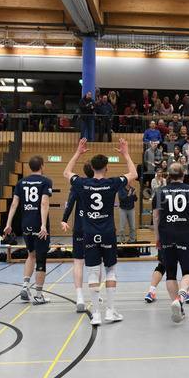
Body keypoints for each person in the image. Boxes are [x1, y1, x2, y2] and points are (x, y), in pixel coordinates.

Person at [64, 138, 138, 325]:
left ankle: (96, 314)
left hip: (89, 232)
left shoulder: (82, 183)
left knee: (92, 271)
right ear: (106, 168)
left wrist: (78, 152)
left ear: (91, 167)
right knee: (110, 269)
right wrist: (125, 153)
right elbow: (133, 173)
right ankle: (110, 311)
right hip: (107, 232)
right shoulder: (112, 183)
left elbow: (66, 172)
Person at [152, 163, 189, 322]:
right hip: (186, 235)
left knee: (170, 272)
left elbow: (156, 217)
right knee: (187, 271)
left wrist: (157, 236)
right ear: (184, 174)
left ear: (168, 175)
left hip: (167, 234)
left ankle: (178, 306)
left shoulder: (160, 192)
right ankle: (180, 299)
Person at [4, 156, 52, 305]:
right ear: (42, 166)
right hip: (39, 224)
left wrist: (8, 224)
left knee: (31, 254)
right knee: (41, 258)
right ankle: (38, 295)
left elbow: (14, 204)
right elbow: (44, 203)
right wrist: (43, 224)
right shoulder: (45, 181)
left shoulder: (21, 182)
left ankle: (25, 286)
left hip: (26, 224)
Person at [61, 161, 100, 311]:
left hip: (80, 226)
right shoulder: (102, 184)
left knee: (78, 262)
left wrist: (64, 220)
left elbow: (70, 203)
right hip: (96, 227)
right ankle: (95, 294)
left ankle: (79, 297)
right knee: (96, 262)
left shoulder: (78, 185)